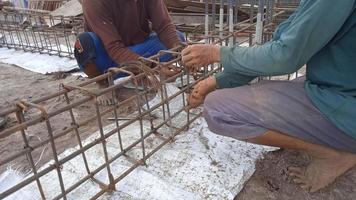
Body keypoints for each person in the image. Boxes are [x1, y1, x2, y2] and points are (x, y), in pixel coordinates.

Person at [182, 0, 356, 193]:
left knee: (218, 109)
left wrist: (217, 53)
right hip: (339, 89)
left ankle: (330, 155)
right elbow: (281, 41)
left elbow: (284, 57)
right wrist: (217, 81)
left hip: (345, 105)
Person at [74, 0, 184, 105]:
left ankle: (139, 73)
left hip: (136, 50)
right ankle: (104, 84)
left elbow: (164, 27)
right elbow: (114, 48)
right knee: (84, 42)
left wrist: (180, 53)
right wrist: (152, 68)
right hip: (108, 60)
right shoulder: (94, 2)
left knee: (177, 38)